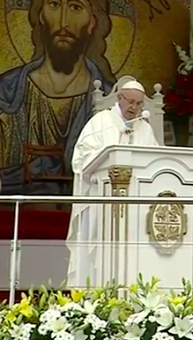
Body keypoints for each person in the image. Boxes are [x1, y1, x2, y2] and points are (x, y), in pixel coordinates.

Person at [0, 0, 116, 195]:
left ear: (93, 21)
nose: (63, 21)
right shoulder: (6, 93)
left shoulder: (109, 100)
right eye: (54, 4)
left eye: (75, 7)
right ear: (41, 15)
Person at [66, 79, 158, 288]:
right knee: (99, 250)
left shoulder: (145, 128)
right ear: (119, 98)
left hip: (135, 204)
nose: (134, 108)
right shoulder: (100, 122)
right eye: (130, 102)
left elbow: (155, 161)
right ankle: (94, 287)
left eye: (139, 104)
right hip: (101, 199)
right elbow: (80, 160)